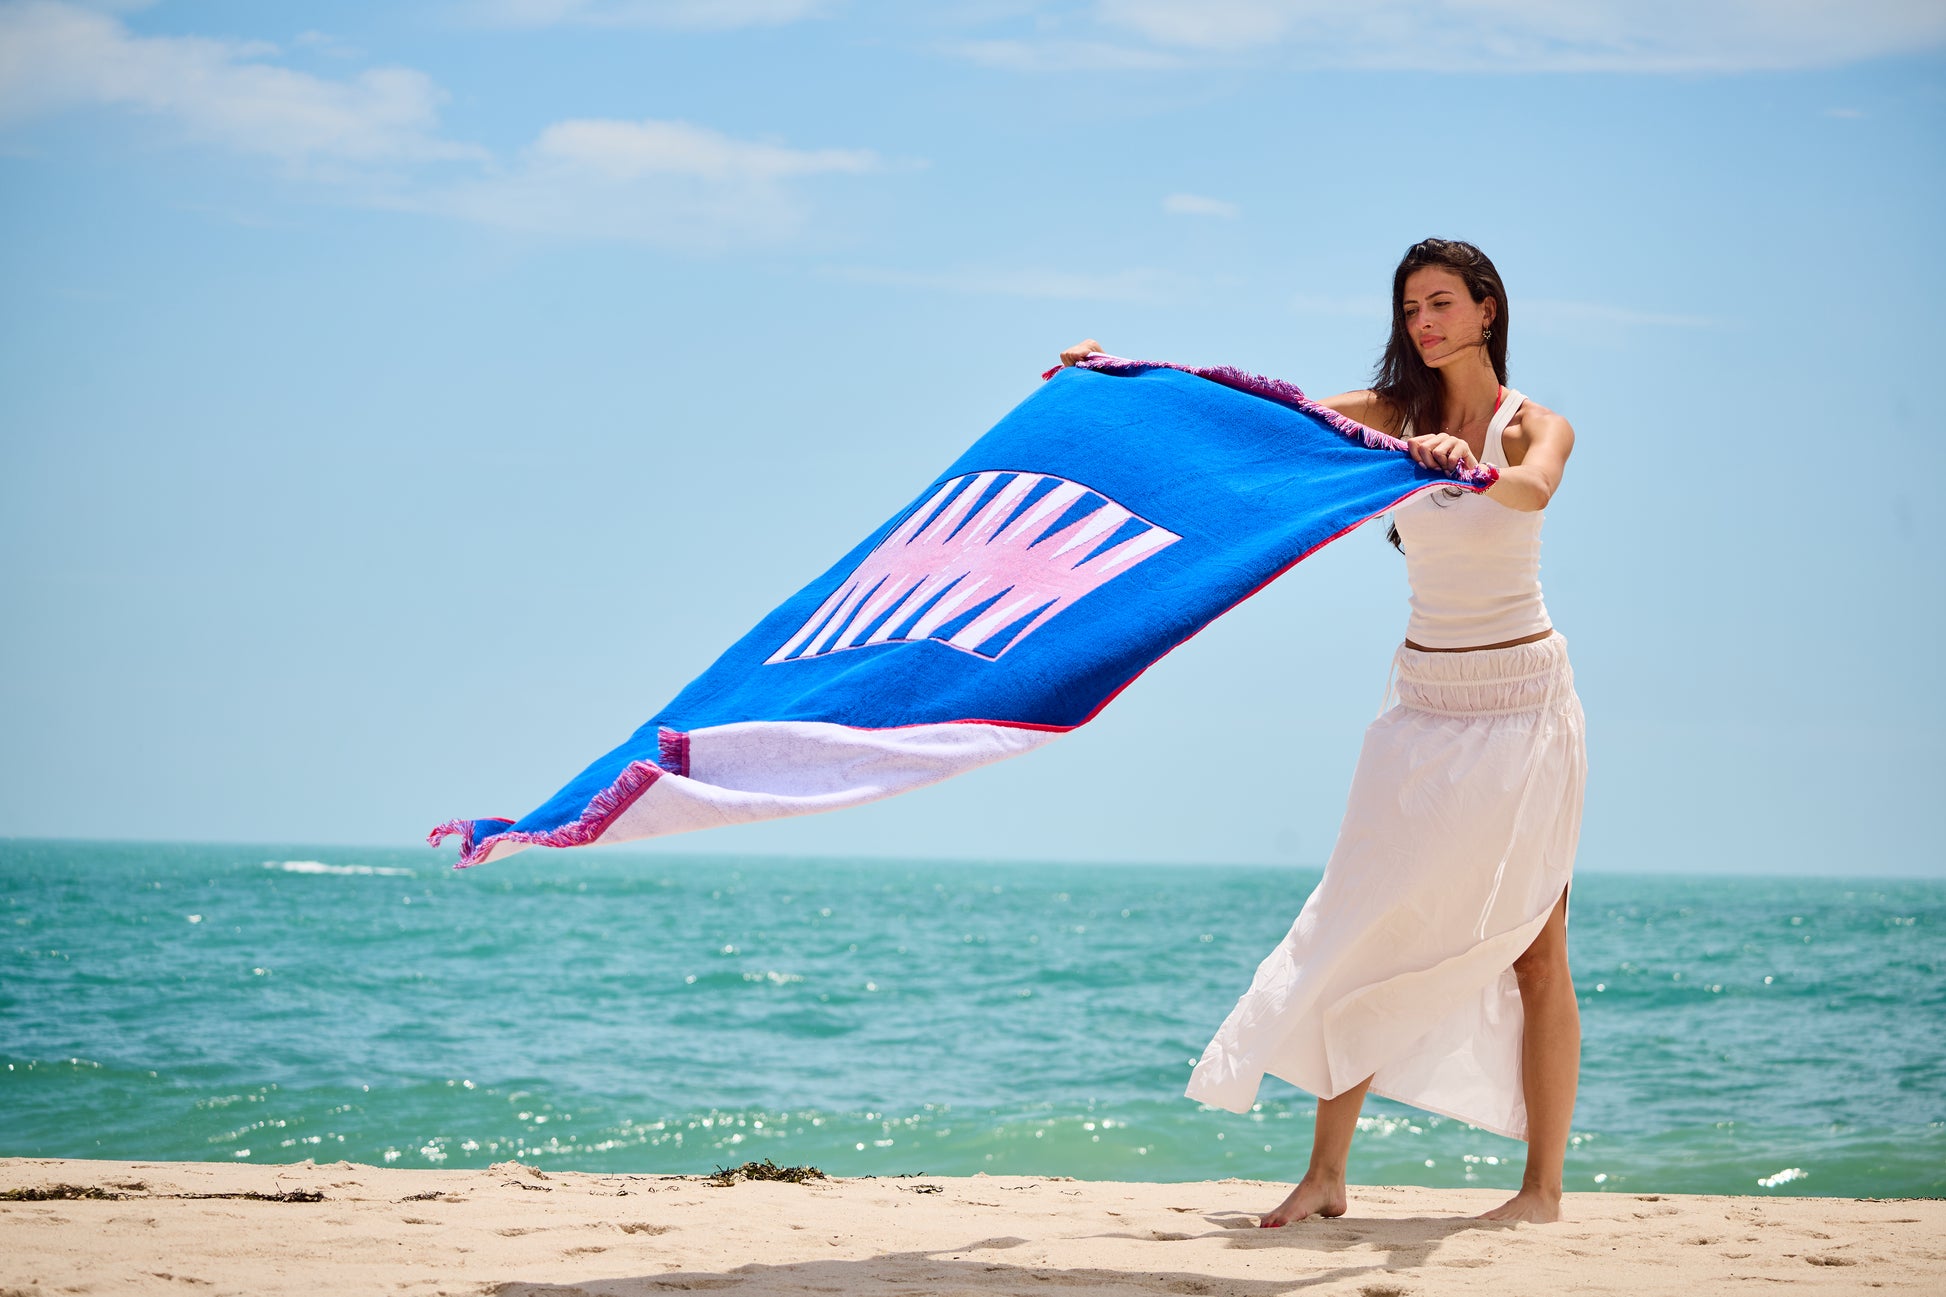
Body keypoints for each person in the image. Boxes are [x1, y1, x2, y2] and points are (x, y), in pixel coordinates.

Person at [1057, 238, 1584, 1226]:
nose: (1422, 324)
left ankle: (1541, 1192)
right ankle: (1327, 1174)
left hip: (1523, 698)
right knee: (1364, 921)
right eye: (1408, 309)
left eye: (1439, 304)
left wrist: (1468, 466)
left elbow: (1530, 487)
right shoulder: (1389, 418)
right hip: (1423, 700)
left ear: (1484, 310)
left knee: (1536, 947)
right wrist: (1116, 380)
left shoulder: (1532, 425)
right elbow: (1250, 416)